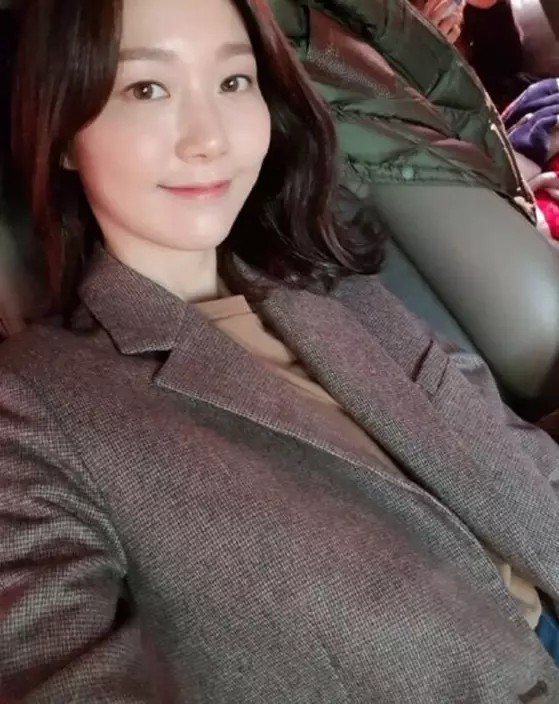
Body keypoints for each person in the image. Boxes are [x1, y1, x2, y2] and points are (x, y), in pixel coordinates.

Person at [1, 1, 559, 702]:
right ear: (61, 133)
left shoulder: (329, 283)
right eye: (146, 88)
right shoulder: (34, 406)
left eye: (233, 81)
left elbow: (513, 451)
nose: (210, 138)